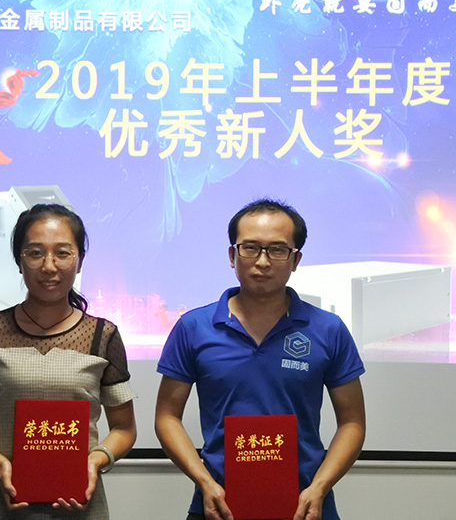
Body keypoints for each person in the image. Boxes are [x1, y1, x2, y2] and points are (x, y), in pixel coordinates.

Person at [155, 198, 365, 520]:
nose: (263, 261)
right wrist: (204, 482)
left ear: (295, 260)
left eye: (278, 250)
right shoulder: (193, 328)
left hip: (305, 507)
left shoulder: (328, 329)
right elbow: (167, 417)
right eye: (250, 248)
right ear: (232, 255)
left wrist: (320, 486)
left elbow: (352, 423)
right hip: (218, 506)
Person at [0, 203, 137, 519]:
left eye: (62, 253)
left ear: (80, 261)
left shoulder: (103, 335)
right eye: (35, 253)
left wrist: (94, 461)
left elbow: (124, 428)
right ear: (19, 261)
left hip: (80, 505)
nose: (49, 266)